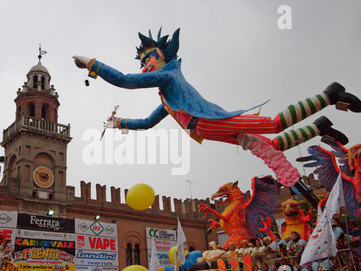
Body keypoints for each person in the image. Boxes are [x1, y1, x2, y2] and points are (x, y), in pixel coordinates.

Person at [73, 27, 361, 191]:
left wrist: (92, 64)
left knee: (273, 124)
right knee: (269, 146)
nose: (145, 64)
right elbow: (149, 122)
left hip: (207, 122)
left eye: (149, 57)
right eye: (143, 61)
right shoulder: (169, 99)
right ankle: (318, 126)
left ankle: (328, 94)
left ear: (164, 56)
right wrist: (121, 123)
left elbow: (125, 81)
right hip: (204, 127)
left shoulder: (168, 76)